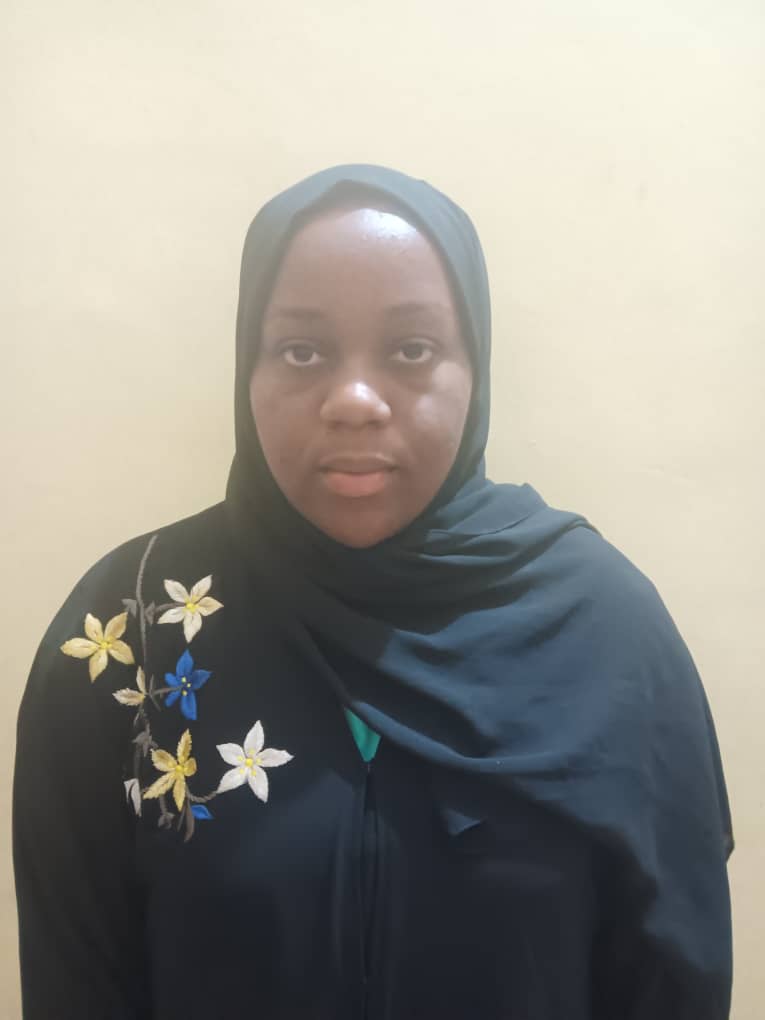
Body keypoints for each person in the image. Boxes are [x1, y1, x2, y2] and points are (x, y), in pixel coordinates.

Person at [13, 164, 733, 1019]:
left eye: (411, 350)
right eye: (302, 351)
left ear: (475, 370)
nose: (353, 401)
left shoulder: (606, 633)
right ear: (248, 369)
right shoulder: (130, 629)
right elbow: (76, 983)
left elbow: (670, 977)